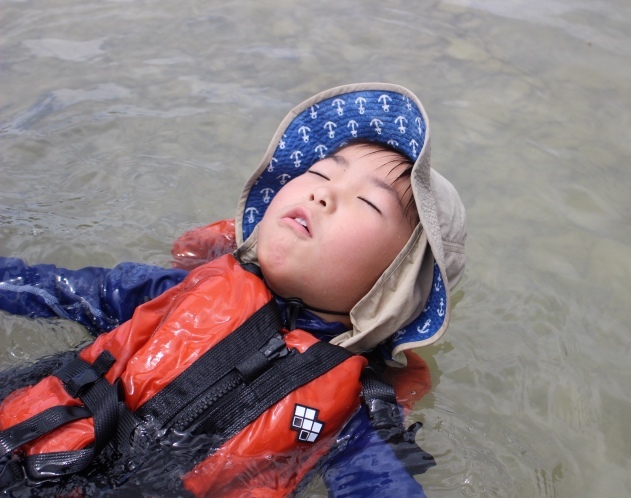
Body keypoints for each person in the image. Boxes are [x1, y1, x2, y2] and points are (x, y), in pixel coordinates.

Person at [0, 83, 467, 496]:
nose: (321, 193)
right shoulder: (182, 289)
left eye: (366, 202)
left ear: (394, 286)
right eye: (321, 173)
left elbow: (379, 486)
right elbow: (52, 289)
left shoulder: (354, 410)